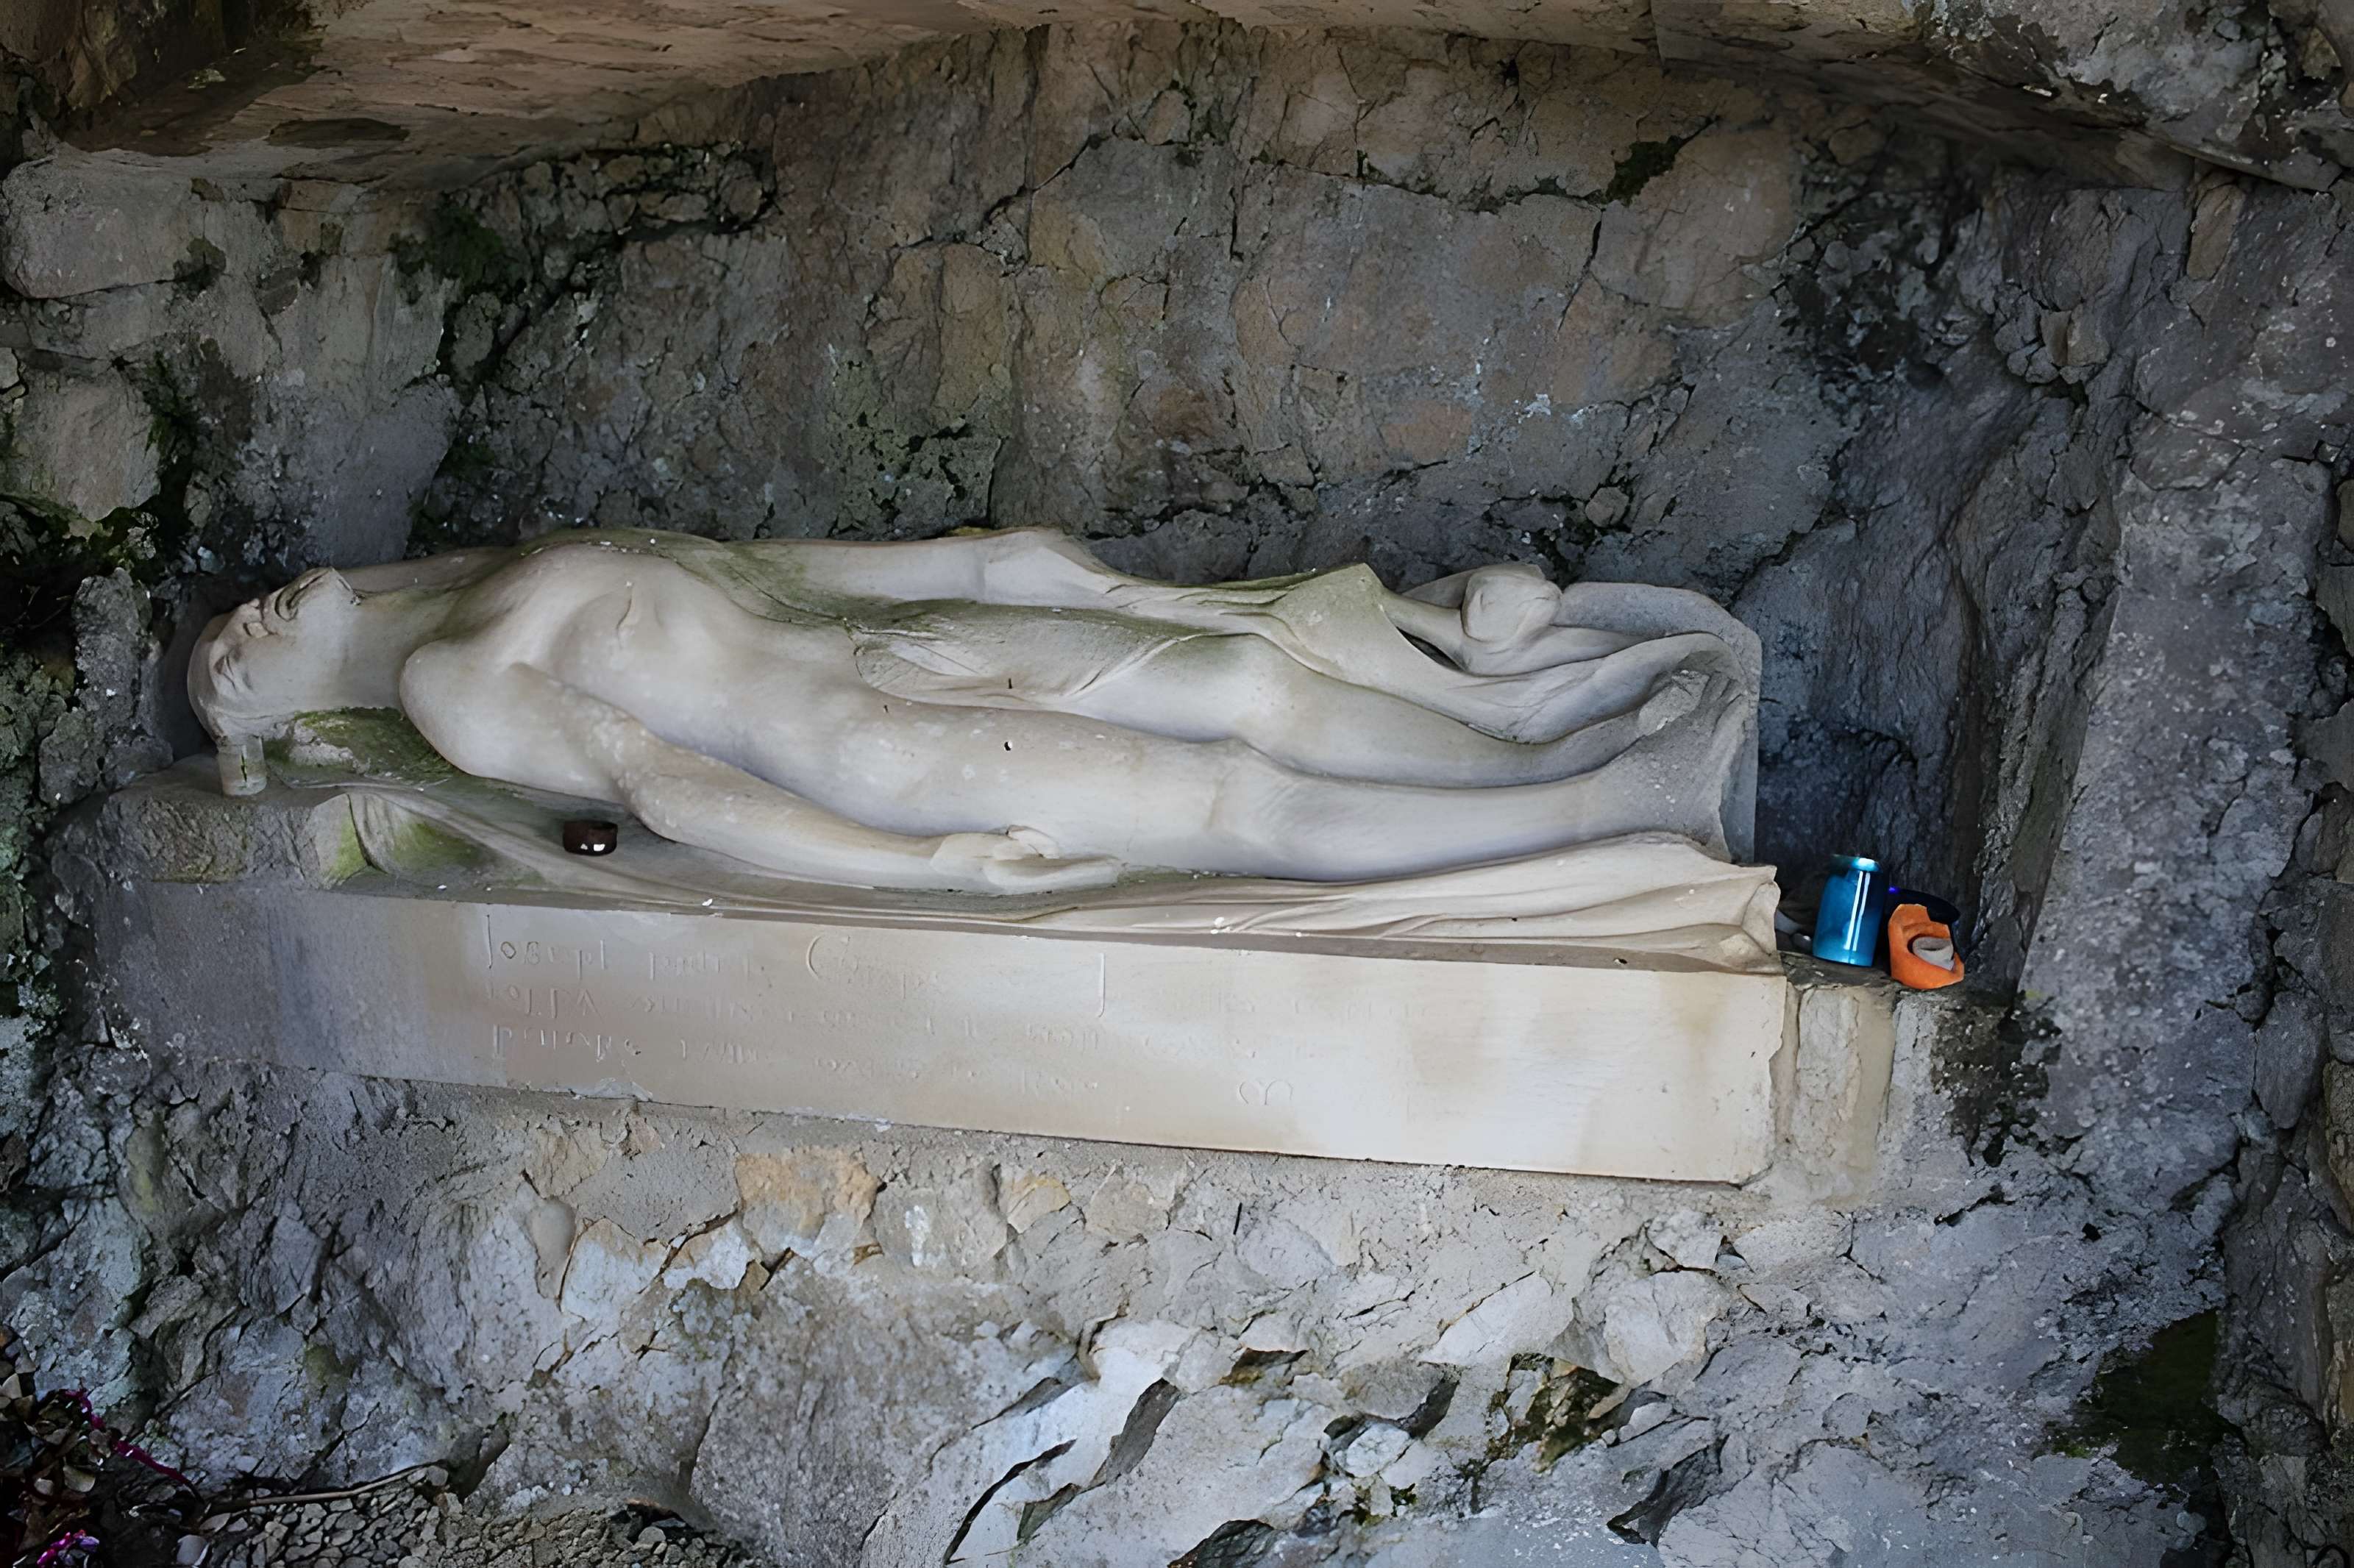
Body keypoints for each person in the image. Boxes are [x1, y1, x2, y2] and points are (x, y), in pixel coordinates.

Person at [190, 527, 1754, 894]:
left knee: (1253, 678)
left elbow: (789, 575)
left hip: (897, 652)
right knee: (1227, 804)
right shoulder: (455, 687)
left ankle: (1543, 744)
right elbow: (660, 784)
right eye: (222, 670)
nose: (235, 632)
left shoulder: (469, 581)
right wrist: (912, 872)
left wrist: (1006, 564)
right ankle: (1599, 813)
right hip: (868, 751)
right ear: (264, 725)